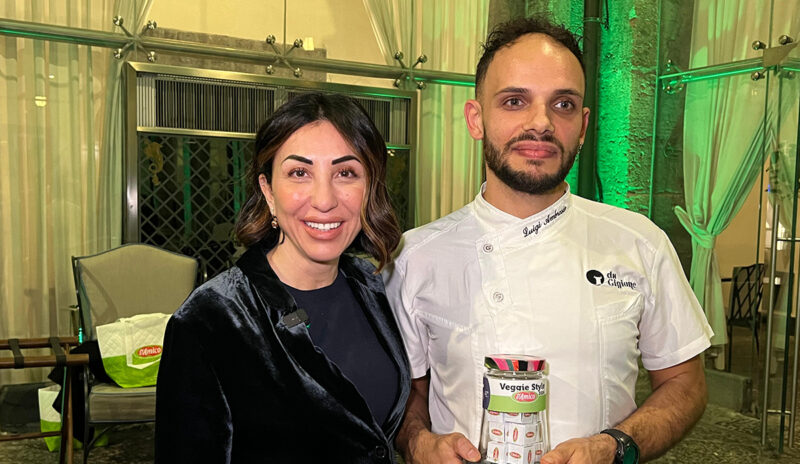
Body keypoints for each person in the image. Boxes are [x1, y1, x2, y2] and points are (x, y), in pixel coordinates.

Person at [384, 17, 713, 464]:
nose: (541, 123)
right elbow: (408, 393)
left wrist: (615, 447)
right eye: (514, 101)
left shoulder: (639, 244)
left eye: (562, 104)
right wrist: (419, 443)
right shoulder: (416, 257)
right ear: (476, 119)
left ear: (583, 125)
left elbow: (685, 382)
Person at [155, 92, 410, 463]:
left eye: (345, 173)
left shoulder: (374, 287)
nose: (324, 199)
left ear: (369, 188)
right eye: (299, 173)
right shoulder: (210, 319)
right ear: (268, 191)